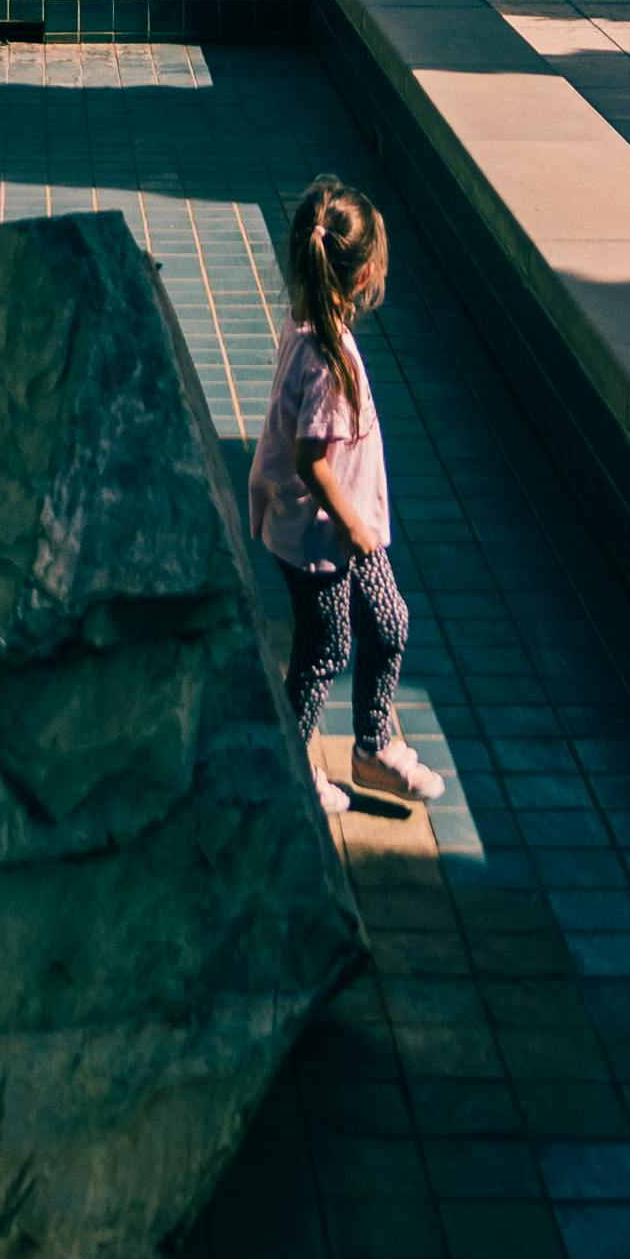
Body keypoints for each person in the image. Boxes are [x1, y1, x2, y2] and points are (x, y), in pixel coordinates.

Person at [248, 179, 443, 815]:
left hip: (341, 529)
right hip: (325, 538)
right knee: (325, 647)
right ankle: (292, 765)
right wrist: (353, 523)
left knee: (389, 624)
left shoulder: (308, 328)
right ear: (361, 277)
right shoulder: (328, 359)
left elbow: (287, 434)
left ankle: (372, 747)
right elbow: (311, 459)